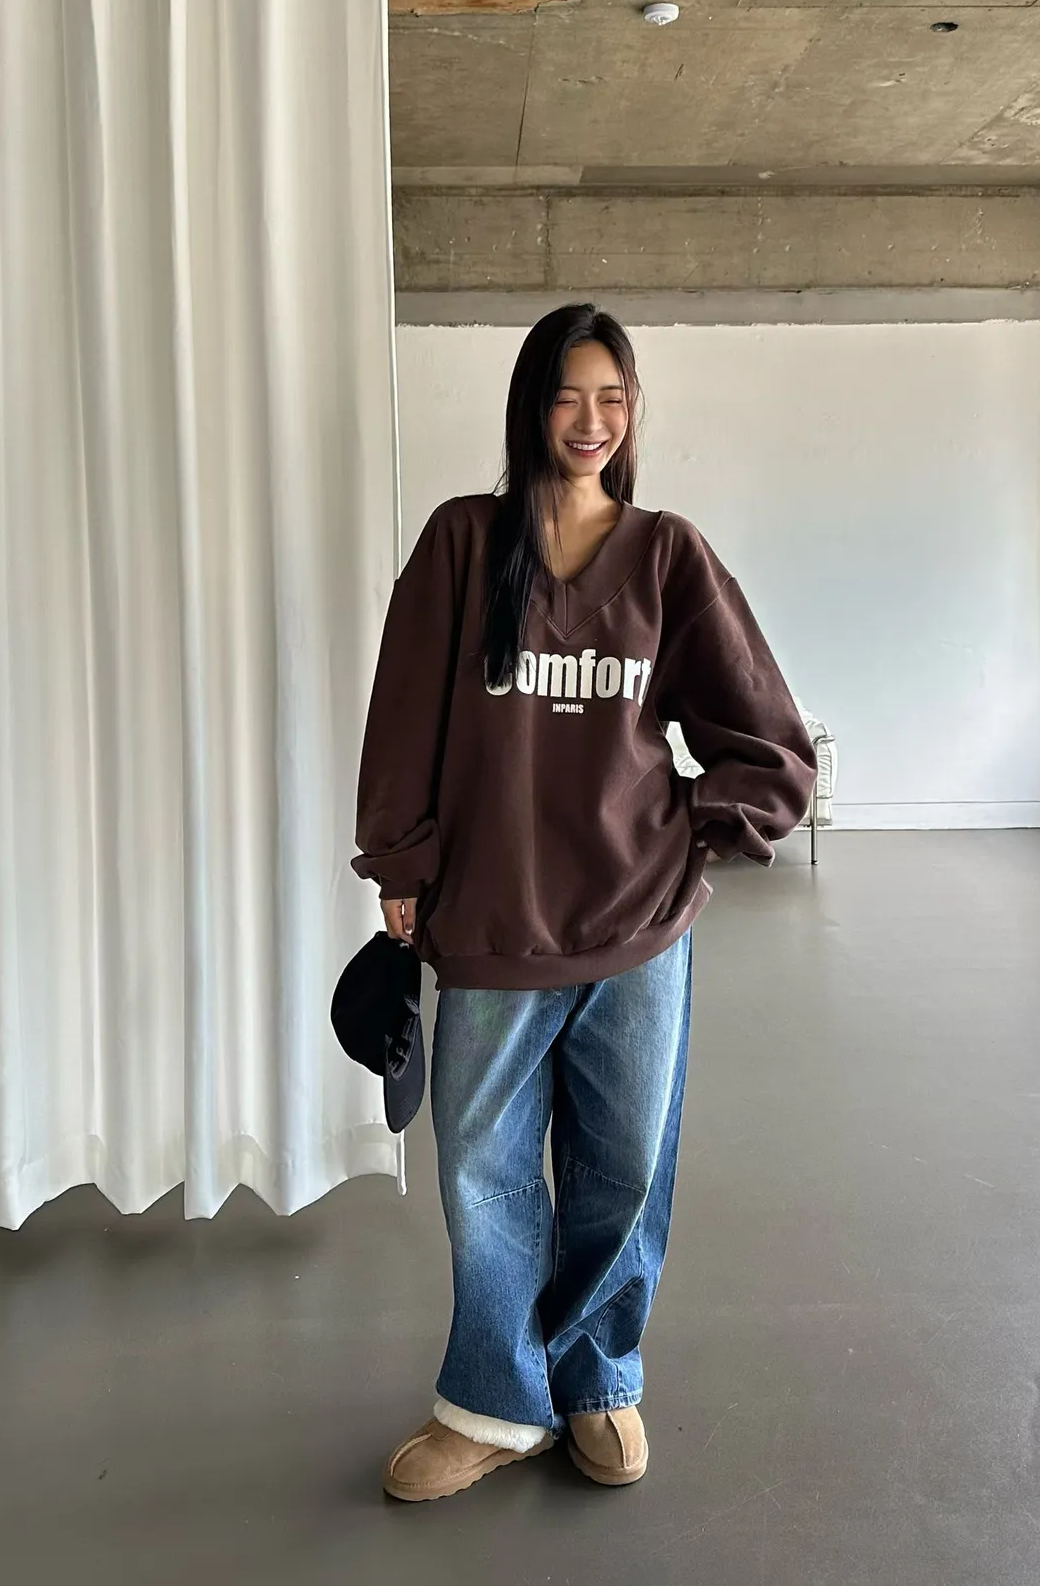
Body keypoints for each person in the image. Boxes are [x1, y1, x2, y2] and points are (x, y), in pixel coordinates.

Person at [352, 303, 816, 1502]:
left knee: (622, 1168)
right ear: (530, 405)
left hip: (634, 931)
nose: (591, 419)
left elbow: (767, 739)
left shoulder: (668, 558)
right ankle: (496, 1403)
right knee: (483, 1172)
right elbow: (404, 714)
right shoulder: (462, 544)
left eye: (613, 397)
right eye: (568, 394)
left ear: (633, 411)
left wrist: (693, 833)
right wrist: (400, 862)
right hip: (494, 923)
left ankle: (598, 1378)